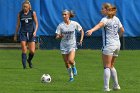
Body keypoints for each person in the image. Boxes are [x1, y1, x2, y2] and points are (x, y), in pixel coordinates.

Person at [86, 3, 124, 91]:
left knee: (107, 66)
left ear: (107, 10)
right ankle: (116, 85)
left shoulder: (105, 19)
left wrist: (91, 30)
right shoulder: (116, 19)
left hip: (109, 45)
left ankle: (106, 87)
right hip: (117, 45)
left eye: (103, 9)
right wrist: (117, 37)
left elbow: (99, 25)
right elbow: (122, 30)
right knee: (111, 65)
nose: (101, 10)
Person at [55, 9, 84, 82]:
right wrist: (59, 36)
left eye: (65, 14)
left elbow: (82, 31)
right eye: (62, 14)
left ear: (69, 15)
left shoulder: (74, 24)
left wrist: (81, 40)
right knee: (66, 62)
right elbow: (56, 36)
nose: (63, 16)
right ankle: (71, 77)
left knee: (70, 60)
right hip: (63, 46)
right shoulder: (60, 25)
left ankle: (74, 66)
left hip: (72, 45)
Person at [14, 0, 38, 69]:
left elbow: (36, 24)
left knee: (32, 51)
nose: (25, 8)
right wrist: (15, 34)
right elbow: (18, 25)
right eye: (24, 7)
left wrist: (35, 31)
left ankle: (29, 60)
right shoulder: (20, 14)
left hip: (31, 33)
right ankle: (24, 66)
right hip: (23, 33)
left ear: (29, 7)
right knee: (24, 49)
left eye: (26, 7)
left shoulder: (32, 13)